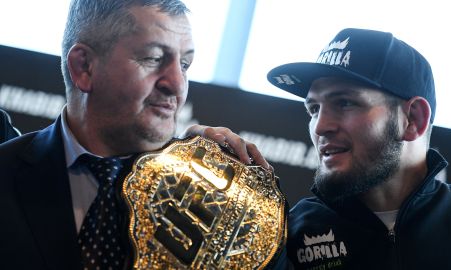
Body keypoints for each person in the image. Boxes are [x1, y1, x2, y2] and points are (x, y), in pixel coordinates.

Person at [0, 1, 269, 269]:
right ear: (84, 67)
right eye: (153, 59)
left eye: (185, 64)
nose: (177, 84)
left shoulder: (218, 199)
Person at [267, 28, 451, 269]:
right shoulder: (285, 237)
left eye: (345, 103)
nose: (320, 127)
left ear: (413, 119)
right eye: (314, 109)